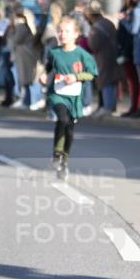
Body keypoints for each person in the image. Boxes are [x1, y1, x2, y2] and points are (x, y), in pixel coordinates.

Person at [41, 16, 97, 180]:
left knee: (70, 129)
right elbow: (48, 67)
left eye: (67, 31)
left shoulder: (82, 54)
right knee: (63, 119)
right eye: (60, 31)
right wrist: (44, 76)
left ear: (76, 34)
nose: (62, 34)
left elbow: (92, 73)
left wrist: (77, 77)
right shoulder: (54, 52)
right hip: (57, 93)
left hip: (73, 95)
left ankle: (64, 160)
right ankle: (56, 153)